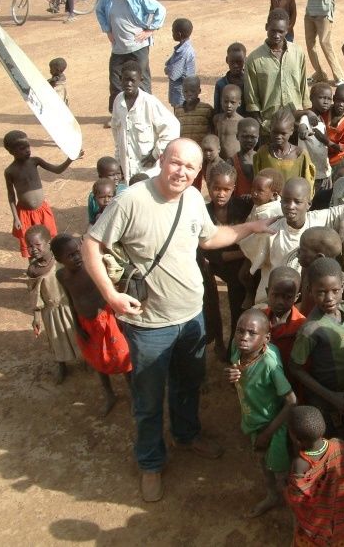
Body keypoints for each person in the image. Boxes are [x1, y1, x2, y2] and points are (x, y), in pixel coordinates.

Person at [81, 138, 277, 502]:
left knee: (189, 383)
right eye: (176, 163)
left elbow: (210, 237)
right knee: (149, 400)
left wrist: (250, 228)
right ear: (162, 160)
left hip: (191, 319)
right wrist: (111, 294)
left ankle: (186, 435)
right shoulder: (132, 200)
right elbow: (90, 244)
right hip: (149, 325)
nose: (181, 172)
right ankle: (151, 461)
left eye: (189, 167)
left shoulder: (190, 199)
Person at [240, 177, 344, 304]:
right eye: (286, 201)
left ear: (309, 204)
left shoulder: (320, 219)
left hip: (306, 299)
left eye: (297, 202)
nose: (290, 206)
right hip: (273, 299)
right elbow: (249, 265)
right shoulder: (271, 231)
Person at [225, 309, 298, 517]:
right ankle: (272, 495)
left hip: (272, 424)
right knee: (262, 460)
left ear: (266, 338)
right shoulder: (237, 348)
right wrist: (233, 375)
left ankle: (295, 511)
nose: (243, 338)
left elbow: (292, 402)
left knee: (280, 470)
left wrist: (268, 433)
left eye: (251, 333)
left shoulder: (269, 364)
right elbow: (239, 378)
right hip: (253, 418)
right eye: (239, 331)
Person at [52, 234, 132, 416]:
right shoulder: (61, 276)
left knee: (122, 356)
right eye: (70, 255)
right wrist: (77, 326)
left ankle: (133, 392)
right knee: (97, 359)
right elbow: (71, 300)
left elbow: (111, 291)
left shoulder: (93, 268)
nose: (77, 257)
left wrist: (120, 318)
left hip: (107, 319)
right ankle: (109, 394)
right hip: (86, 323)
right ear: (59, 260)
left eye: (78, 251)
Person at [290, 258, 344, 434]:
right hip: (327, 398)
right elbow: (295, 367)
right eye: (321, 292)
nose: (330, 298)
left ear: (342, 287)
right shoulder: (310, 329)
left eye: (335, 291)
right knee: (332, 434)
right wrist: (330, 396)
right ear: (309, 291)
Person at [284, 405, 344, 546]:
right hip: (342, 515)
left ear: (297, 440)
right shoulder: (339, 445)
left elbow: (296, 499)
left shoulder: (301, 464)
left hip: (317, 526)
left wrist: (283, 488)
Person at [200, 165, 252, 358]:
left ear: (233, 188)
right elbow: (208, 252)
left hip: (238, 269)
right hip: (212, 264)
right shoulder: (202, 212)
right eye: (216, 188)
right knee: (210, 304)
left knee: (237, 307)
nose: (220, 194)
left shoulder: (244, 206)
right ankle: (217, 341)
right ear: (208, 185)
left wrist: (241, 255)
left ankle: (234, 349)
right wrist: (241, 253)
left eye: (226, 189)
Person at [95, 0, 165, 123]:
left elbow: (160, 9)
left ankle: (147, 114)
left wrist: (150, 30)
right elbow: (99, 11)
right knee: (115, 81)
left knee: (142, 80)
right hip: (118, 49)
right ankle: (118, 116)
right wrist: (107, 29)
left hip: (138, 46)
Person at [3, 130, 76, 258]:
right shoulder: (10, 171)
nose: (27, 150)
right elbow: (11, 196)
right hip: (24, 214)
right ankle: (35, 268)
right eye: (22, 148)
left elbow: (57, 170)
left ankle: (52, 263)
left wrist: (69, 160)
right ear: (11, 151)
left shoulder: (35, 161)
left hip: (42, 210)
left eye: (28, 146)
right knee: (31, 245)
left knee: (49, 239)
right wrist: (16, 217)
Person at [24, 226, 80, 384]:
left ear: (48, 243)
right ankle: (62, 366)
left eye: (37, 245)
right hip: (50, 312)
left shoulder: (61, 261)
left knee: (77, 334)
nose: (33, 249)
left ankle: (87, 360)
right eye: (29, 246)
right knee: (57, 340)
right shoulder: (34, 271)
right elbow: (35, 296)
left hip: (69, 306)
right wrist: (36, 317)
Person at [111, 60, 180, 182]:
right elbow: (117, 133)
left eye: (132, 80)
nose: (129, 84)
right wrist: (119, 162)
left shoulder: (149, 103)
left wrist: (156, 154)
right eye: (125, 79)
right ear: (120, 79)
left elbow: (173, 127)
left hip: (148, 171)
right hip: (128, 171)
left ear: (140, 80)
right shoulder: (118, 101)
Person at [245, 9, 311, 134]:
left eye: (281, 31)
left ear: (287, 30)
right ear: (266, 27)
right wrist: (263, 126)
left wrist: (304, 119)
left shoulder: (298, 53)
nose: (276, 35)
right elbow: (252, 100)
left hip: (296, 124)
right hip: (270, 126)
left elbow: (304, 89)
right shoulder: (253, 59)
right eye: (273, 30)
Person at [253, 108, 317, 192]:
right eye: (275, 132)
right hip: (268, 203)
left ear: (291, 131)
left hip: (292, 201)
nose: (278, 136)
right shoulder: (263, 153)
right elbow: (256, 180)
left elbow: (308, 183)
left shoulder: (300, 154)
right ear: (270, 129)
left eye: (283, 133)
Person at [300, 0, 344, 86]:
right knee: (310, 44)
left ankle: (339, 75)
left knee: (325, 43)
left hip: (324, 13)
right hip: (310, 13)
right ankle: (320, 74)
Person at [262, 266, 307, 371]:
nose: (280, 302)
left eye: (287, 297)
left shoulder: (302, 326)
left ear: (296, 297)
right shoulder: (259, 319)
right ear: (267, 292)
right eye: (275, 295)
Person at [174, 78, 214, 187]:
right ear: (182, 91)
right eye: (186, 91)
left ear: (199, 91)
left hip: (202, 154)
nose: (189, 94)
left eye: (192, 91)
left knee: (207, 180)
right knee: (187, 182)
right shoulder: (178, 110)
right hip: (184, 154)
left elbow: (212, 130)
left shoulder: (207, 109)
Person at [164, 18, 196, 110]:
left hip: (182, 95)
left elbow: (173, 73)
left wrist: (167, 69)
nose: (172, 33)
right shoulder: (184, 49)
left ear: (179, 34)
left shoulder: (183, 52)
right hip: (183, 93)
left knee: (180, 119)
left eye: (173, 31)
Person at [88, 157, 126, 230]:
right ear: (101, 176)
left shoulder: (125, 191)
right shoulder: (93, 196)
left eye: (118, 173)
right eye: (112, 175)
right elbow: (92, 220)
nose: (116, 177)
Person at [228, 118, 260, 197]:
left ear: (258, 137)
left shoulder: (261, 158)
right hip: (237, 204)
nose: (249, 140)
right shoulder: (231, 162)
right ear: (237, 136)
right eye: (245, 136)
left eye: (253, 137)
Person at [215, 43, 247, 115]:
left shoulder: (250, 83)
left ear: (245, 60)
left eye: (239, 62)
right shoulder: (220, 85)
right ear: (227, 60)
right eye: (232, 62)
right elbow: (217, 111)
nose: (235, 65)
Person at [213, 84, 244, 160]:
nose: (228, 105)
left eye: (232, 102)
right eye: (226, 101)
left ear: (239, 103)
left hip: (236, 161)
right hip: (219, 160)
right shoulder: (217, 119)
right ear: (221, 101)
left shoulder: (242, 122)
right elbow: (215, 137)